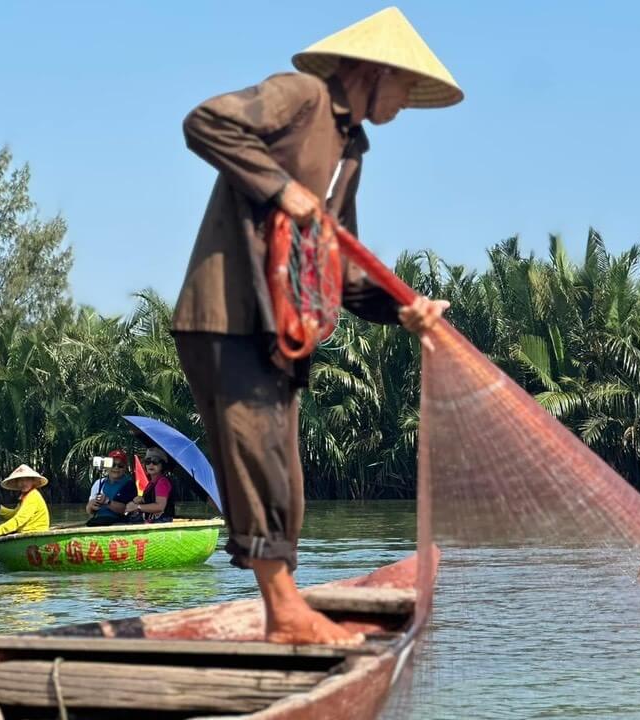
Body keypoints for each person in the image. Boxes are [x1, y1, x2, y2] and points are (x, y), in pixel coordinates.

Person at [171, 8, 457, 646]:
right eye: (406, 87)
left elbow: (338, 256)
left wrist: (398, 309)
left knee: (285, 472)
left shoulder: (350, 149)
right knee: (258, 460)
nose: (407, 102)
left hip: (281, 324)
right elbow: (207, 121)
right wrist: (279, 188)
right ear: (374, 72)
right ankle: (284, 615)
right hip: (227, 311)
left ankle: (286, 610)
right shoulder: (299, 97)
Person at [0, 465, 50, 537]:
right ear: (16, 483)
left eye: (27, 480)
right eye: (20, 480)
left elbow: (19, 519)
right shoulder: (25, 496)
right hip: (27, 532)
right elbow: (15, 514)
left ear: (33, 481)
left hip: (35, 533)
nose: (23, 483)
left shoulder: (33, 496)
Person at [86, 450, 138, 527]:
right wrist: (91, 506)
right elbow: (89, 510)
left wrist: (107, 501)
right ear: (107, 466)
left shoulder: (129, 485)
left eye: (120, 466)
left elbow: (126, 509)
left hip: (118, 523)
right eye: (113, 465)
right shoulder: (99, 483)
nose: (116, 468)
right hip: (98, 521)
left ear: (125, 468)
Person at [126, 447, 175, 523]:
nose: (151, 464)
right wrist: (142, 500)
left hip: (161, 524)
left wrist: (137, 507)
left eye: (155, 461)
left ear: (162, 465)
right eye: (148, 461)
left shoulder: (162, 482)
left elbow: (160, 506)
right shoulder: (151, 483)